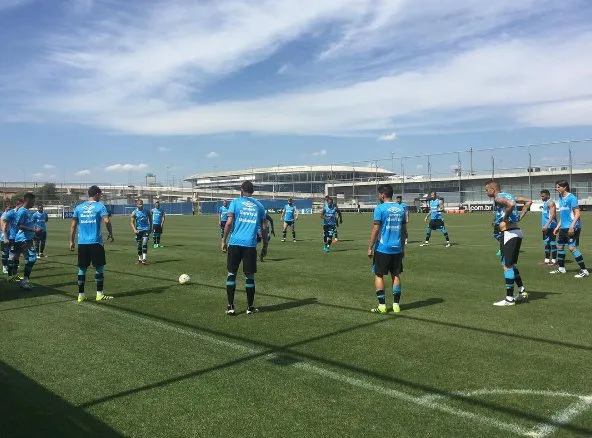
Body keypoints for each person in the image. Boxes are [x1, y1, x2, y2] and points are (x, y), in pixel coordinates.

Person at [221, 181, 267, 315]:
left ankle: (230, 306)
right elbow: (264, 228)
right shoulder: (259, 206)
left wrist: (223, 240)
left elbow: (229, 223)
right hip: (250, 245)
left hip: (235, 243)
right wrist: (265, 245)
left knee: (231, 274)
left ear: (241, 190)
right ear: (253, 191)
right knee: (249, 276)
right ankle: (250, 307)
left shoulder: (235, 202)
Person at [485, 180, 532, 306]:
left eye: (486, 190)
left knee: (507, 266)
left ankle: (509, 299)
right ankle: (521, 290)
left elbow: (510, 205)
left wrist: (504, 218)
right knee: (510, 264)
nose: (485, 192)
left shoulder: (498, 198)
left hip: (509, 233)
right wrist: (519, 217)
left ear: (493, 189)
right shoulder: (510, 195)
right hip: (514, 232)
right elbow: (529, 201)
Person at [69, 185, 114, 302]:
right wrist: (111, 233)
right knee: (99, 267)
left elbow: (73, 225)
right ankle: (99, 294)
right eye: (100, 195)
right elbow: (107, 220)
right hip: (96, 242)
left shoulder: (78, 207)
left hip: (82, 243)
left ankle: (81, 295)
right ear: (97, 194)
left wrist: (71, 241)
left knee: (82, 268)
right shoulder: (100, 206)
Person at [367, 185, 406, 314]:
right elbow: (404, 231)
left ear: (383, 194)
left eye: (379, 194)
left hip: (383, 248)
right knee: (396, 275)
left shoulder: (380, 208)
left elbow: (376, 228)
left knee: (379, 275)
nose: (378, 196)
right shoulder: (401, 209)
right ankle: (396, 305)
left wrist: (370, 247)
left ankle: (382, 306)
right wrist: (403, 248)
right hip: (397, 248)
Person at [550, 180, 588, 278]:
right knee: (559, 246)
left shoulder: (572, 198)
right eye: (556, 187)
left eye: (558, 187)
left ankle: (584, 270)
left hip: (573, 227)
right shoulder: (560, 198)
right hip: (564, 227)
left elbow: (577, 213)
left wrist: (572, 226)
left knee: (572, 248)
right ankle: (561, 268)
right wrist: (558, 227)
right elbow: (563, 216)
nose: (556, 189)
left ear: (565, 187)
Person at [12, 193, 41, 289]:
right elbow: (19, 225)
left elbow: (28, 225)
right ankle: (24, 282)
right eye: (33, 201)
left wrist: (34, 235)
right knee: (32, 258)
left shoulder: (28, 212)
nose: (34, 203)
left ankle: (14, 275)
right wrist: (33, 230)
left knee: (17, 257)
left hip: (26, 239)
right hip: (23, 239)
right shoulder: (22, 211)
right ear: (27, 200)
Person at [2, 200, 24, 281]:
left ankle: (15, 274)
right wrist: (5, 237)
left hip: (19, 238)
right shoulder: (11, 212)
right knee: (11, 257)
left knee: (17, 258)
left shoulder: (20, 213)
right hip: (12, 238)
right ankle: (10, 276)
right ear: (18, 205)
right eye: (22, 206)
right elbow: (4, 224)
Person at [131, 199, 152, 264]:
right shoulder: (134, 212)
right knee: (139, 245)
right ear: (137, 205)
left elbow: (151, 219)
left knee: (145, 242)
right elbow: (132, 222)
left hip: (146, 229)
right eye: (139, 204)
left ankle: (144, 259)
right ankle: (140, 259)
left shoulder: (147, 211)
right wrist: (134, 229)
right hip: (138, 230)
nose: (141, 205)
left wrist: (150, 228)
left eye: (142, 204)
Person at [540, 189, 558, 266]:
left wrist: (547, 225)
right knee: (546, 243)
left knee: (552, 243)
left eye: (543, 196)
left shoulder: (550, 203)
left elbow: (553, 215)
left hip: (551, 226)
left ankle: (553, 261)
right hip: (546, 226)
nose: (541, 197)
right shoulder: (545, 203)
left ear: (547, 195)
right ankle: (547, 261)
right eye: (541, 196)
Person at [1, 204, 12, 275]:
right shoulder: (4, 216)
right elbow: (3, 228)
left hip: (9, 236)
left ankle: (8, 265)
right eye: (9, 207)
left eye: (11, 208)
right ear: (6, 208)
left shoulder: (8, 215)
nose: (10, 209)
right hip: (4, 237)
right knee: (5, 253)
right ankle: (4, 267)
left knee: (9, 252)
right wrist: (5, 237)